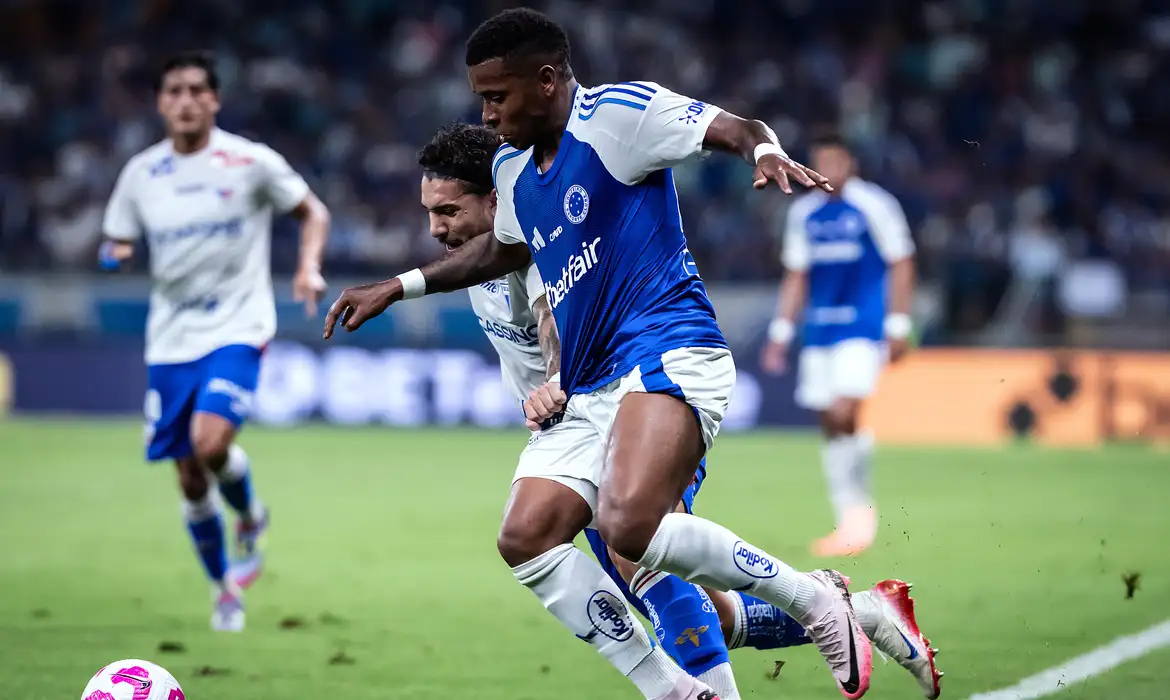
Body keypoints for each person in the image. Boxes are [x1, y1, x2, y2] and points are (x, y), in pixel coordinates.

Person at [327, 9, 881, 698]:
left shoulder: (618, 116)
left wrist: (763, 152)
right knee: (526, 535)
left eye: (497, 96)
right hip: (592, 387)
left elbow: (737, 128)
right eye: (481, 99)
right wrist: (397, 286)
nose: (488, 114)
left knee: (631, 530)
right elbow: (502, 250)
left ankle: (816, 602)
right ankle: (675, 689)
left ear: (546, 80)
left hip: (666, 345)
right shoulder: (512, 168)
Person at [420, 122, 943, 699]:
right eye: (431, 212)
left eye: (448, 211)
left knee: (643, 564)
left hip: (626, 403)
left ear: (496, 199)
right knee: (708, 610)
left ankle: (790, 618)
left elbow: (554, 320)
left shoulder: (544, 241)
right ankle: (864, 613)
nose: (436, 228)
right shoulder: (473, 265)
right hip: (569, 433)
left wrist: (555, 379)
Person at [99, 51, 331, 632]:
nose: (185, 100)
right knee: (188, 476)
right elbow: (115, 237)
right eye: (174, 91)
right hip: (170, 340)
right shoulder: (141, 175)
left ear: (215, 100)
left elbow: (313, 212)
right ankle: (223, 588)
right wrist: (115, 252)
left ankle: (249, 514)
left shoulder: (249, 161)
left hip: (237, 327)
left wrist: (308, 267)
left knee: (210, 441)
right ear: (160, 103)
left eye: (196, 90)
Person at [760, 133, 916, 557]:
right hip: (819, 331)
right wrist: (780, 332)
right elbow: (797, 275)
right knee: (830, 420)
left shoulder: (875, 205)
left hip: (863, 327)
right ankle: (849, 514)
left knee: (844, 410)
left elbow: (901, 260)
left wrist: (899, 323)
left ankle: (859, 517)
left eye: (835, 161)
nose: (827, 170)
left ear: (851, 163)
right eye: (820, 162)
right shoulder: (804, 213)